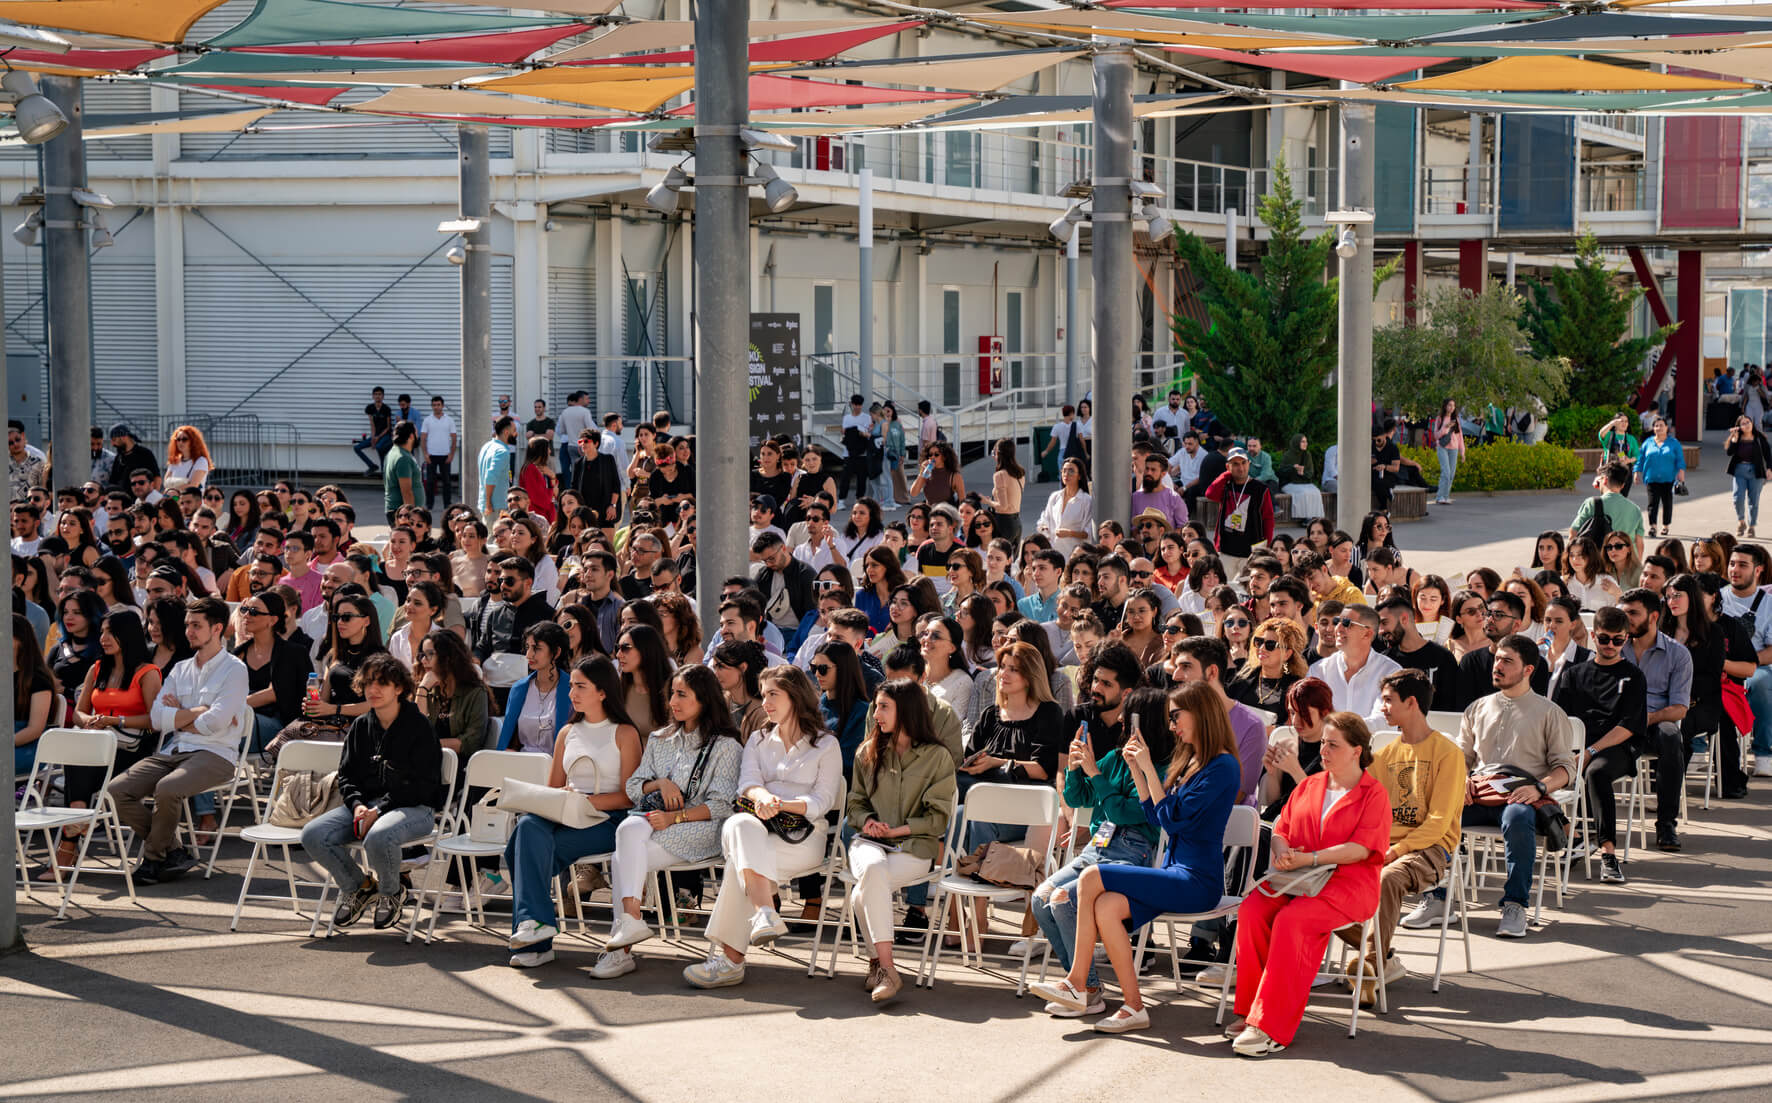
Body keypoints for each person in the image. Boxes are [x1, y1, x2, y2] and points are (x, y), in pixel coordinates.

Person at [1031, 682, 1239, 1034]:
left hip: (1197, 881)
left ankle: (1078, 981)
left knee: (1091, 877)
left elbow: (1172, 821)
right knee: (1105, 906)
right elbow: (1157, 815)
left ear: (1201, 713)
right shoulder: (1192, 762)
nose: (1172, 725)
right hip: (1175, 873)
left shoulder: (1223, 766)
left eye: (1177, 716)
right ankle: (1134, 1007)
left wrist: (1145, 768)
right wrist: (1139, 771)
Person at [1226, 711, 1390, 1057]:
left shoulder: (1373, 794)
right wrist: (1283, 848)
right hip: (1299, 878)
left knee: (1292, 921)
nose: (1324, 751)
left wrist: (1310, 859)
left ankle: (1271, 1025)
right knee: (1253, 909)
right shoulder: (1309, 785)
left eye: (1333, 744)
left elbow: (1360, 849)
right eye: (1324, 743)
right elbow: (1281, 829)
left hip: (1349, 883)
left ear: (1357, 750)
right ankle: (1251, 1010)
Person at [1403, 635, 1576, 940]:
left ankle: (1514, 904)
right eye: (1497, 659)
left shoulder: (1550, 712)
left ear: (1528, 670)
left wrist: (1538, 787)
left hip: (1520, 795)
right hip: (1480, 792)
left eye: (1507, 661)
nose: (1498, 666)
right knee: (1437, 814)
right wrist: (1462, 780)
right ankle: (1436, 898)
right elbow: (1461, 758)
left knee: (1518, 818)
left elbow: (1565, 768)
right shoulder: (1478, 708)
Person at [684, 665, 843, 988]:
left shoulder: (826, 745)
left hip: (802, 836)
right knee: (743, 824)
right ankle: (764, 912)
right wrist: (764, 798)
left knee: (739, 868)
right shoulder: (758, 739)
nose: (766, 702)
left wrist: (781, 805)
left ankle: (731, 961)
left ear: (795, 697)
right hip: (754, 825)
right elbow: (747, 784)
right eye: (764, 693)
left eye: (774, 694)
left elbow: (822, 801)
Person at [1030, 684, 1171, 1017]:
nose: (1120, 718)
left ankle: (1084, 988)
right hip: (1100, 846)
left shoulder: (1161, 766)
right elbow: (1080, 799)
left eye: (1128, 713)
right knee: (1041, 899)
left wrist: (1095, 773)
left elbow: (1125, 813)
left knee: (1063, 902)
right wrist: (1078, 765)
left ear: (1143, 721)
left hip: (1133, 853)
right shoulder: (1116, 757)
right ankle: (1085, 988)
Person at [595, 666, 743, 980]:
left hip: (702, 828)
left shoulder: (726, 747)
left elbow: (719, 806)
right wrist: (659, 783)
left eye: (681, 695)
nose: (672, 702)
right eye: (672, 694)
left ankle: (621, 947)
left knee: (622, 855)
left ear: (704, 699)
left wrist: (675, 817)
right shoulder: (661, 739)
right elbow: (634, 787)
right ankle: (630, 922)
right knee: (628, 832)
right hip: (654, 824)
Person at [504, 656, 644, 965]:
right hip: (568, 814)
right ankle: (535, 930)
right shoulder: (567, 733)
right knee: (527, 827)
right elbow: (554, 790)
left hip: (607, 819)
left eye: (580, 686)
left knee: (522, 849)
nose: (572, 693)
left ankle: (535, 944)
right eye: (571, 686)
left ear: (603, 691)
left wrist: (587, 801)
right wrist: (566, 797)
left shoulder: (624, 733)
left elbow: (629, 797)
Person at [108, 597, 250, 884]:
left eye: (196, 626)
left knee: (168, 788)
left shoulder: (234, 669)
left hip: (217, 753)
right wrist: (199, 712)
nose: (189, 632)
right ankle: (173, 850)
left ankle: (153, 859)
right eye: (187, 625)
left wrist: (181, 715)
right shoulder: (181, 668)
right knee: (117, 790)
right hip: (176, 748)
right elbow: (158, 718)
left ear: (217, 628)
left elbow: (217, 723)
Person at [300, 653, 443, 931]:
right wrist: (357, 806)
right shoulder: (362, 726)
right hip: (366, 806)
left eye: (382, 683)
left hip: (415, 807)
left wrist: (378, 810)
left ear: (399, 688)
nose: (373, 690)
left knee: (378, 837)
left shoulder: (419, 727)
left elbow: (420, 785)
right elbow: (347, 775)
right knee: (313, 835)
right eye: (368, 684)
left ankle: (392, 893)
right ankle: (359, 886)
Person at [1348, 671, 1467, 999]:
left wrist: (1398, 850)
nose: (1382, 707)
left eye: (1388, 700)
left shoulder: (1448, 753)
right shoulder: (1384, 755)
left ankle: (1370, 963)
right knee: (1325, 878)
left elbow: (1440, 822)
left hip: (1430, 849)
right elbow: (1355, 798)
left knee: (1386, 878)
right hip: (1388, 846)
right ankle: (1380, 961)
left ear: (1411, 703)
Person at [845, 678, 957, 1005]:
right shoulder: (868, 751)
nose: (875, 713)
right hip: (868, 842)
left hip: (915, 846)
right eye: (876, 705)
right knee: (874, 871)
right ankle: (890, 971)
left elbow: (939, 817)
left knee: (862, 894)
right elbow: (855, 802)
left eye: (883, 707)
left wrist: (898, 831)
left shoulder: (937, 757)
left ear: (905, 711)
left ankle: (877, 964)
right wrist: (868, 822)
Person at [1550, 606, 1642, 884]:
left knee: (1596, 773)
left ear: (1626, 639)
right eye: (1604, 639)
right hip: (1577, 748)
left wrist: (1590, 752)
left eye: (1618, 640)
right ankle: (1572, 835)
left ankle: (1608, 853)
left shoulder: (1633, 676)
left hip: (1616, 749)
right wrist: (1569, 753)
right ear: (1592, 636)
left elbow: (1627, 726)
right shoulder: (1574, 674)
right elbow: (1560, 720)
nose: (1610, 646)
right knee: (1534, 769)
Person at [1618, 587, 1693, 853]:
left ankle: (1665, 824)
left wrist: (1648, 718)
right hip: (1618, 724)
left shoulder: (1678, 654)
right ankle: (1592, 825)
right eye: (1622, 613)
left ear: (1653, 617)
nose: (1625, 621)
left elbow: (1679, 708)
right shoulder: (1614, 646)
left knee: (1672, 735)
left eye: (1632, 614)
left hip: (1654, 723)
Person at [1307, 604, 1400, 729]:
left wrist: (1339, 729)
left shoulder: (1391, 672)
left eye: (1346, 623)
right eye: (1336, 621)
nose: (1337, 628)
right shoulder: (1318, 670)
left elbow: (1385, 722)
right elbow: (1308, 716)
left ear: (1367, 634)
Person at [1203, 448, 1274, 578]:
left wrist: (1266, 547)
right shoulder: (1226, 485)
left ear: (1249, 464)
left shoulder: (1261, 489)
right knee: (1225, 589)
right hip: (1226, 549)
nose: (1240, 468)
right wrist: (1225, 475)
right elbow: (1210, 494)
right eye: (1235, 464)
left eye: (1243, 463)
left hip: (1251, 551)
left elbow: (1268, 518)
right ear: (1228, 466)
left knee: (1246, 589)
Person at [1570, 462, 1646, 560]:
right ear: (1623, 485)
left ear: (1605, 480)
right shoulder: (1635, 509)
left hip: (1598, 565)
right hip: (1625, 566)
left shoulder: (1592, 503)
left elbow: (1573, 533)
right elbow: (1639, 544)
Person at [1723, 413, 1772, 537]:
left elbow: (1768, 454)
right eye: (1743, 423)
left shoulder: (1759, 437)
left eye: (1748, 422)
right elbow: (1729, 453)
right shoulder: (1737, 437)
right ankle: (1741, 522)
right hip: (1740, 470)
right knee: (1738, 498)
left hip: (1756, 472)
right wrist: (1733, 440)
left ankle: (1751, 526)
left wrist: (1770, 469)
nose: (1747, 425)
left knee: (1753, 501)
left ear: (1752, 424)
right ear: (1739, 426)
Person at [1637, 416, 1685, 539]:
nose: (1659, 428)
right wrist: (1636, 471)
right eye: (1656, 425)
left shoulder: (1674, 443)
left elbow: (1680, 459)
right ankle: (1653, 526)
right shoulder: (1647, 443)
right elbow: (1640, 459)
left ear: (1666, 428)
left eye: (1661, 425)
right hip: (1651, 478)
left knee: (1667, 503)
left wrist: (1681, 473)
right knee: (1652, 504)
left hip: (1668, 479)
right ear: (1653, 428)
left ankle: (1665, 525)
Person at [1037, 458, 1093, 560]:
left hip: (1073, 555)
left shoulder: (1086, 500)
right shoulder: (1055, 497)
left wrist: (1069, 533)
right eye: (1064, 470)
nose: (1066, 474)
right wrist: (1044, 528)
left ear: (1079, 476)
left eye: (1071, 471)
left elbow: (1088, 532)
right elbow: (1044, 519)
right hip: (1053, 553)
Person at [418, 396, 458, 514]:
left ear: (442, 406)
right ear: (432, 406)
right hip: (431, 455)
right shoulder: (427, 420)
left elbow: (454, 438)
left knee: (447, 482)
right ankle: (429, 505)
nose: (436, 407)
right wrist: (425, 454)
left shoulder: (449, 420)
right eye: (434, 405)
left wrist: (451, 454)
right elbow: (423, 438)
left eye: (438, 405)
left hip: (445, 455)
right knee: (430, 481)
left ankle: (447, 505)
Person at [984, 437, 1026, 544]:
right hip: (1017, 522)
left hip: (1004, 523)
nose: (993, 456)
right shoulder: (1020, 473)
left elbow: (1003, 506)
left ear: (998, 454)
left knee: (998, 557)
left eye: (993, 452)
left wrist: (988, 502)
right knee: (1010, 559)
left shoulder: (1000, 475)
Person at [382, 421, 422, 528]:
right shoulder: (403, 458)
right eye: (416, 433)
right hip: (402, 514)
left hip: (396, 510)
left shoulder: (393, 452)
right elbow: (406, 491)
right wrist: (412, 517)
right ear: (411, 436)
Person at [1277, 434, 1324, 520]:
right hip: (1289, 483)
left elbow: (1310, 473)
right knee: (1303, 493)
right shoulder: (1288, 455)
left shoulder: (1307, 455)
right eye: (1303, 442)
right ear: (1296, 442)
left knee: (1316, 492)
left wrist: (1302, 473)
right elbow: (1281, 472)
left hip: (1304, 482)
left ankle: (1316, 518)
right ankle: (1305, 518)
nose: (1305, 444)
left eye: (1306, 442)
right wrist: (1293, 468)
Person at [1430, 399, 1466, 506]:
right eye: (1450, 405)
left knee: (1451, 474)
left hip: (1453, 448)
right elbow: (1436, 435)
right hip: (1442, 447)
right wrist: (1446, 428)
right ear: (1445, 406)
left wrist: (1462, 452)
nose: (1452, 407)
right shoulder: (1440, 419)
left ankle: (1445, 496)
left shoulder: (1456, 419)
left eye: (1453, 405)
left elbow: (1460, 437)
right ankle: (1440, 496)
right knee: (1446, 472)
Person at [353, 386, 394, 474]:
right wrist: (373, 438)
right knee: (357, 448)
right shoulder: (370, 408)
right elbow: (372, 425)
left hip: (385, 435)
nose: (377, 396)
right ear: (372, 396)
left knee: (379, 447)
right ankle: (372, 466)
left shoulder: (386, 409)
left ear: (383, 396)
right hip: (375, 435)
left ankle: (384, 471)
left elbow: (388, 427)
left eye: (379, 394)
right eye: (375, 394)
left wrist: (377, 438)